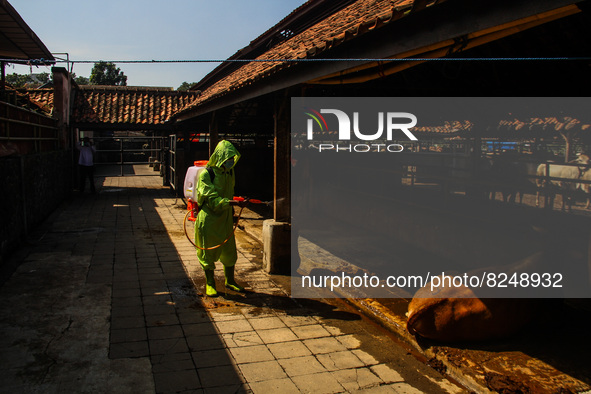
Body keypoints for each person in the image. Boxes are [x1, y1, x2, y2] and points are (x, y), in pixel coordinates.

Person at [195, 140, 247, 296]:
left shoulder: (229, 172)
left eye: (232, 158)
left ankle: (229, 281)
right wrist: (232, 202)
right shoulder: (206, 174)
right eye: (228, 158)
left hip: (225, 218)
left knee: (230, 251)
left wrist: (237, 201)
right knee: (208, 252)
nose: (231, 161)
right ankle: (210, 283)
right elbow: (212, 199)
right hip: (209, 219)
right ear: (220, 157)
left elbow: (229, 193)